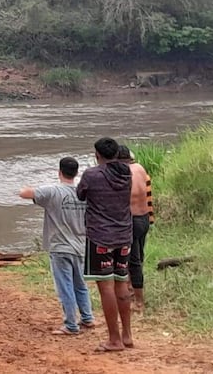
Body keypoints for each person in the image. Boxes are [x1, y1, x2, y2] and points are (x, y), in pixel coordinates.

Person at [19, 157, 94, 335]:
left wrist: (27, 185)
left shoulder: (52, 191)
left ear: (59, 172)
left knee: (65, 286)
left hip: (60, 247)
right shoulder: (83, 193)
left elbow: (24, 193)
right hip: (81, 246)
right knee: (80, 284)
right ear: (76, 173)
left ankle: (70, 325)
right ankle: (87, 317)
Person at [76, 137, 133, 352]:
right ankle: (127, 335)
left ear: (97, 155)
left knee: (105, 286)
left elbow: (80, 194)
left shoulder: (92, 174)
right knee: (121, 281)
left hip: (100, 237)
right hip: (124, 235)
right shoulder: (126, 172)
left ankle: (114, 339)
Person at [117, 145, 153, 312]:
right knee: (139, 257)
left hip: (131, 220)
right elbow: (148, 192)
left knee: (133, 261)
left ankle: (139, 301)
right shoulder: (140, 168)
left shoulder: (122, 173)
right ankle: (132, 289)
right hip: (144, 218)